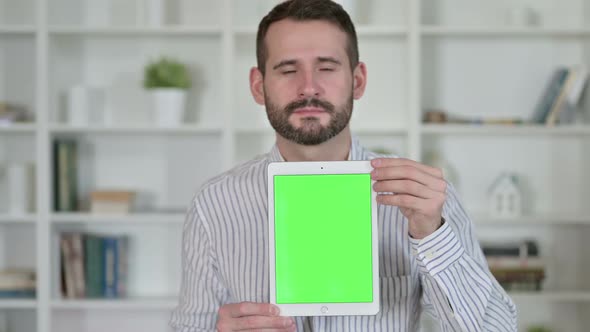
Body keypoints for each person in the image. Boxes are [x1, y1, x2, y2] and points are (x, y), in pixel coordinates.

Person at [170, 0, 517, 331]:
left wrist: (432, 235)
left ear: (358, 80)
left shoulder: (423, 198)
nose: (308, 87)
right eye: (288, 69)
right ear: (259, 86)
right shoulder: (214, 205)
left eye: (327, 67)